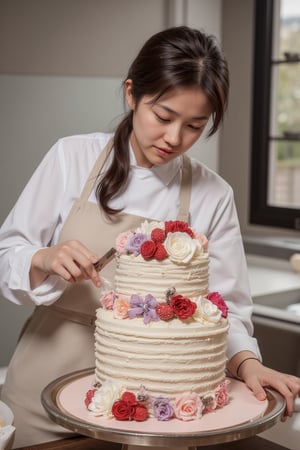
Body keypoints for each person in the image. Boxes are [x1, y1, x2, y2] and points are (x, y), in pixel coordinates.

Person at [0, 26, 299, 448]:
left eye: (195, 125)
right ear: (131, 94)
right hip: (45, 386)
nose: (175, 138)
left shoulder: (213, 194)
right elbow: (7, 253)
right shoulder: (72, 157)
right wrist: (43, 258)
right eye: (163, 116)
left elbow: (226, 309)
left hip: (158, 410)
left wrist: (248, 363)